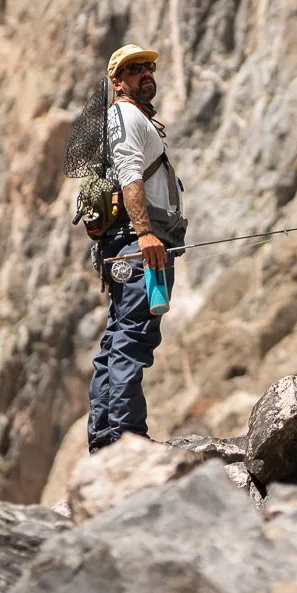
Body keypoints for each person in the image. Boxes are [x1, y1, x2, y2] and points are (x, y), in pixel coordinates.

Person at [86, 44, 186, 452]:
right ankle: (127, 441)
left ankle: (106, 444)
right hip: (138, 243)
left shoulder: (130, 119)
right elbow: (130, 175)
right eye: (133, 69)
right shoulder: (126, 116)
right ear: (117, 82)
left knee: (116, 341)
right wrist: (145, 233)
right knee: (132, 339)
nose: (145, 73)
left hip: (126, 244)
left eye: (148, 67)